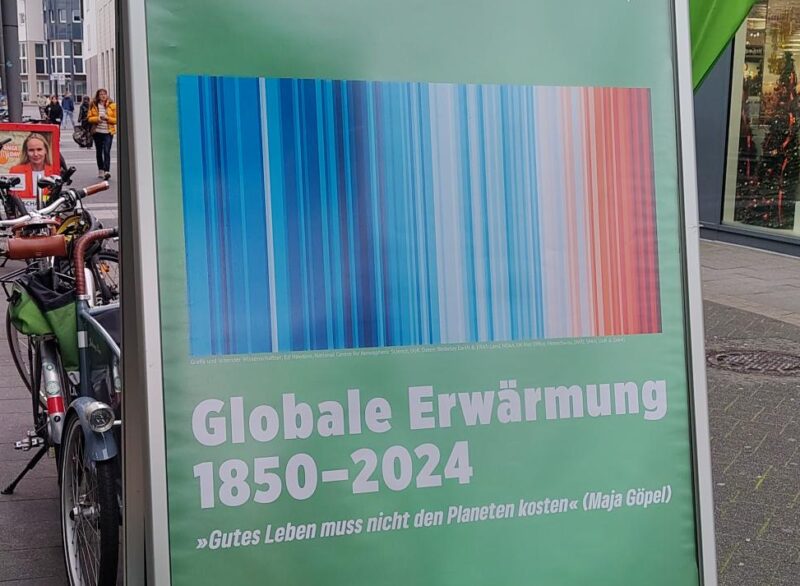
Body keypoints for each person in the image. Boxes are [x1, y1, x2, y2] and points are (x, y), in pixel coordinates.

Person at [9, 133, 57, 204]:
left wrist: (41, 201)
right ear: (26, 152)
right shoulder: (16, 171)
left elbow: (56, 198)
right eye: (31, 150)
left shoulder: (54, 171)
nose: (35, 154)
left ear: (46, 150)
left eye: (39, 149)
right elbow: (11, 197)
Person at [88, 88, 117, 180]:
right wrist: (97, 119)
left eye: (104, 94)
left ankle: (107, 171)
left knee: (107, 151)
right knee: (99, 151)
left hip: (108, 132)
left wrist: (108, 118)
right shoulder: (93, 105)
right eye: (101, 94)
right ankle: (101, 169)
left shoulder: (112, 105)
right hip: (97, 132)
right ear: (98, 96)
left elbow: (116, 120)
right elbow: (89, 118)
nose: (103, 96)